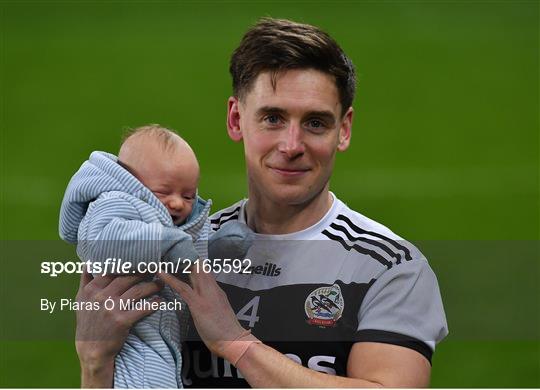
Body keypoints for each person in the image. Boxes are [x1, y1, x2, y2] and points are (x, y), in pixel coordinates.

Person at [74, 18, 448, 388]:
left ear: (344, 129)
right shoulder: (183, 248)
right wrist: (94, 363)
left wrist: (236, 344)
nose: (291, 146)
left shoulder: (388, 267)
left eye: (315, 123)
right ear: (236, 119)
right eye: (273, 118)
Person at [59, 125, 251, 388]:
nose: (178, 203)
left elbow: (196, 253)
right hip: (131, 336)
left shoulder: (183, 223)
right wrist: (168, 246)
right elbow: (102, 242)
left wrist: (222, 247)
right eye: (163, 192)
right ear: (131, 183)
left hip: (163, 331)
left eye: (188, 195)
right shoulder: (115, 202)